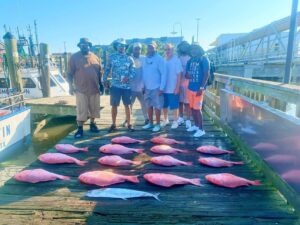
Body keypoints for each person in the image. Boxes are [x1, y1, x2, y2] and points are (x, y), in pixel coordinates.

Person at [68, 38, 102, 138]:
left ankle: (92, 124)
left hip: (95, 88)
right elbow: (69, 74)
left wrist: (101, 85)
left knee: (94, 109)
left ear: (89, 45)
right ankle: (80, 129)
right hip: (81, 89)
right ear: (79, 46)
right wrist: (70, 86)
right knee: (81, 110)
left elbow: (100, 73)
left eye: (86, 44)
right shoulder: (74, 57)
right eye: (82, 45)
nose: (84, 46)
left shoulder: (95, 57)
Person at [103, 38, 135, 132]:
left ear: (125, 47)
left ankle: (129, 124)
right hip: (115, 86)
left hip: (126, 87)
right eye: (120, 45)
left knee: (127, 105)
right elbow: (107, 69)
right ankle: (113, 124)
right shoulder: (111, 57)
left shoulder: (129, 58)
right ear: (116, 46)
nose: (122, 47)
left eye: (123, 46)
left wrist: (128, 77)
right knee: (114, 105)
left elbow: (133, 72)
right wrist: (104, 80)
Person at [186, 44, 210, 137]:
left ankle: (201, 129)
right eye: (192, 49)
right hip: (190, 88)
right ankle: (196, 126)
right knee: (192, 108)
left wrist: (202, 87)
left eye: (195, 49)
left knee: (197, 109)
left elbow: (206, 74)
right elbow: (186, 75)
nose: (193, 51)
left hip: (198, 89)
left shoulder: (204, 59)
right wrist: (187, 76)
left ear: (200, 49)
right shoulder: (190, 60)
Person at [142, 41, 167, 132]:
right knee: (148, 106)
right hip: (147, 87)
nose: (150, 49)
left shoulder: (159, 58)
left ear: (155, 48)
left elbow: (164, 74)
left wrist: (162, 87)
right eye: (149, 47)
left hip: (157, 87)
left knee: (157, 106)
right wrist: (143, 85)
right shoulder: (144, 59)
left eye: (152, 47)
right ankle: (150, 123)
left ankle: (158, 124)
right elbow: (143, 73)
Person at [161, 43, 182, 129]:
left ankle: (175, 121)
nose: (167, 51)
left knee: (174, 106)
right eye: (165, 49)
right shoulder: (163, 60)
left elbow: (179, 75)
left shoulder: (176, 60)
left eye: (168, 49)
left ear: (172, 50)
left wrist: (177, 88)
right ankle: (165, 120)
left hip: (173, 88)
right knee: (164, 105)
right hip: (163, 88)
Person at [130, 43, 149, 124]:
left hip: (142, 87)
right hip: (131, 87)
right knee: (129, 105)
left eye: (139, 49)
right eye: (136, 49)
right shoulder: (129, 58)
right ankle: (128, 119)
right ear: (133, 49)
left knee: (144, 104)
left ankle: (146, 119)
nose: (137, 50)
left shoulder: (144, 58)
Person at [177, 41, 192, 129]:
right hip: (179, 83)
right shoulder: (177, 57)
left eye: (185, 46)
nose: (183, 48)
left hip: (188, 83)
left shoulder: (190, 58)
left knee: (187, 103)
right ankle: (180, 117)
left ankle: (188, 120)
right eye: (182, 46)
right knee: (179, 101)